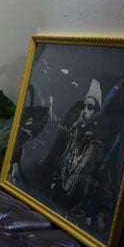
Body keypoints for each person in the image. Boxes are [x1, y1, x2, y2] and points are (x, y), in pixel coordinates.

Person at [50, 78, 106, 219]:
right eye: (84, 106)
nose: (85, 112)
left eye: (91, 108)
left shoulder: (97, 150)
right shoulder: (71, 136)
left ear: (97, 114)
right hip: (55, 200)